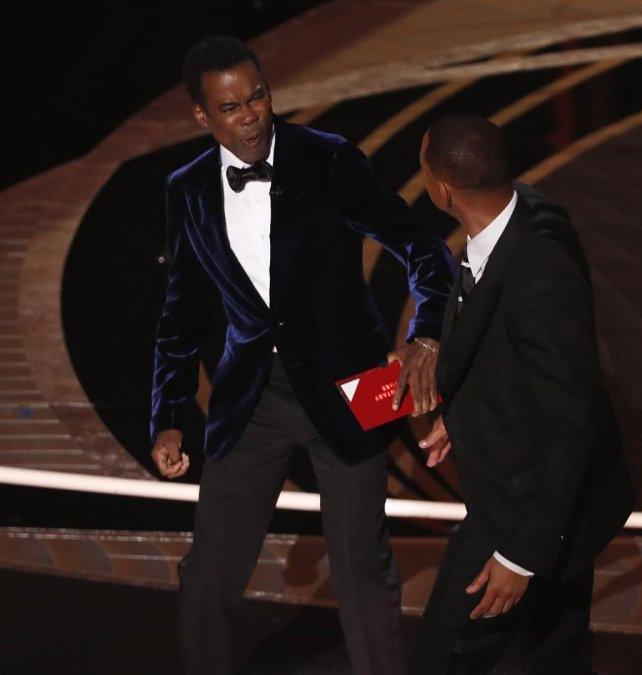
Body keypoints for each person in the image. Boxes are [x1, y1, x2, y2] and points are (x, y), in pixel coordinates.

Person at [149, 36, 454, 675]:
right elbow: (182, 310)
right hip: (250, 398)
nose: (251, 115)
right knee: (208, 570)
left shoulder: (329, 159)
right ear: (203, 117)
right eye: (231, 107)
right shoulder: (187, 189)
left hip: (360, 383)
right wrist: (171, 414)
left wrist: (426, 334)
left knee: (360, 566)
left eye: (257, 96)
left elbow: (423, 249)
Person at [409, 115, 636, 674]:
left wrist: (520, 555)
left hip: (527, 508)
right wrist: (462, 418)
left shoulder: (540, 269)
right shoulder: (524, 212)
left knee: (447, 654)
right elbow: (513, 355)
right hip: (552, 498)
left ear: (442, 189)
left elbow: (571, 417)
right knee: (552, 651)